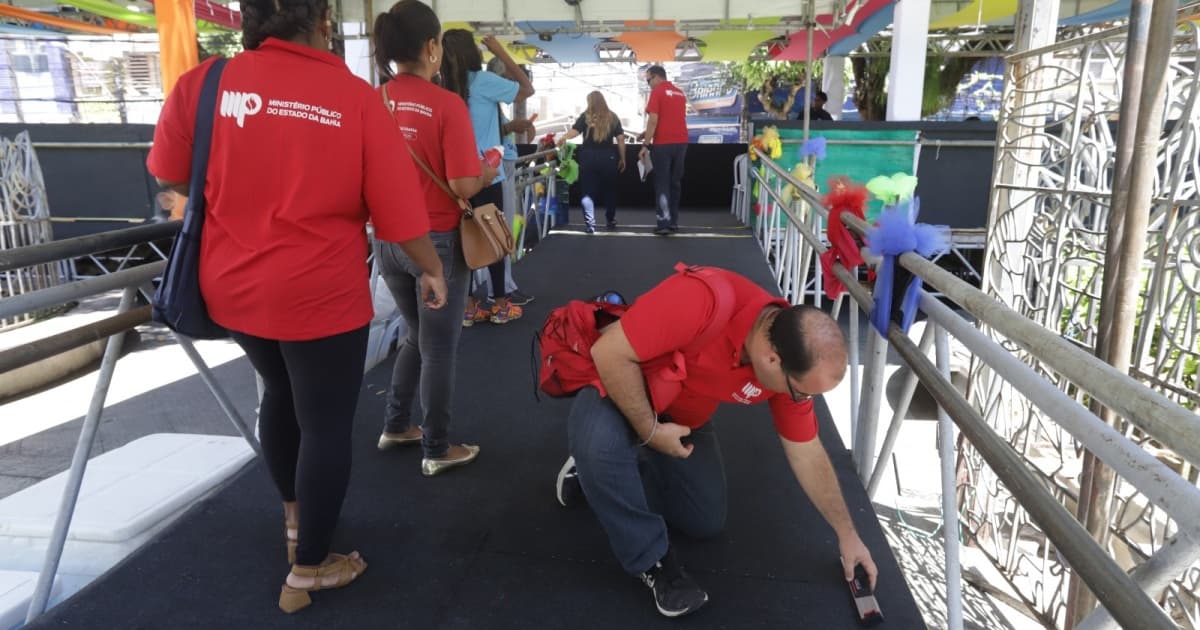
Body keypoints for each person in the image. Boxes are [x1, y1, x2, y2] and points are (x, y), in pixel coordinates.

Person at [147, 0, 448, 613]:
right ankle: (309, 568)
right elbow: (396, 214)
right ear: (322, 25)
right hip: (319, 295)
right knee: (326, 423)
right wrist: (435, 267)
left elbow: (170, 173)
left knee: (280, 393)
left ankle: (294, 520)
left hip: (233, 290)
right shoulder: (356, 98)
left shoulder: (202, 85)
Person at [553, 266, 878, 618]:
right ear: (772, 358)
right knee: (599, 447)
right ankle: (653, 562)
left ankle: (604, 478)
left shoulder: (789, 360)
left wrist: (847, 534)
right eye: (802, 392)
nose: (802, 400)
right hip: (622, 383)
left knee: (704, 520)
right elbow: (609, 354)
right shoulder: (701, 300)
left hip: (679, 417)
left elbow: (807, 451)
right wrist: (649, 431)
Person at [373, 0, 499, 475]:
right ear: (432, 47)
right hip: (437, 243)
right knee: (439, 347)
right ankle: (437, 448)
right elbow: (465, 184)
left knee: (415, 335)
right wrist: (488, 169)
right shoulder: (446, 104)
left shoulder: (375, 98)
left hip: (387, 241)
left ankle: (397, 424)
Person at [440, 29, 535, 326]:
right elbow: (526, 89)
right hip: (487, 173)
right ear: (473, 52)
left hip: (455, 177)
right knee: (494, 237)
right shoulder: (482, 81)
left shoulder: (443, 88)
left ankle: (468, 308)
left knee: (465, 240)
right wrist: (500, 51)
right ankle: (501, 305)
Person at [480, 55, 536, 306]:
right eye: (509, 80)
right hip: (498, 167)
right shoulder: (487, 97)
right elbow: (487, 131)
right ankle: (499, 292)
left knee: (502, 232)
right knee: (499, 232)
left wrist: (512, 126)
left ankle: (503, 287)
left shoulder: (491, 102)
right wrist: (513, 125)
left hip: (504, 163)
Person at [557, 91, 626, 232]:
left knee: (588, 192)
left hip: (588, 157)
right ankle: (610, 220)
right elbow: (620, 139)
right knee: (610, 191)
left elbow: (575, 131)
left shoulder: (586, 116)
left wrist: (564, 137)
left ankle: (590, 224)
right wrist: (623, 158)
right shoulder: (613, 117)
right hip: (608, 157)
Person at [638, 65, 688, 235]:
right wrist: (646, 134)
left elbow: (653, 120)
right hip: (681, 143)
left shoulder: (657, 92)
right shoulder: (680, 93)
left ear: (656, 77)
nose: (648, 84)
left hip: (663, 144)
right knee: (675, 183)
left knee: (662, 184)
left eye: (648, 80)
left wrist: (645, 144)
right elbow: (670, 119)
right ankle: (673, 222)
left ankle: (663, 223)